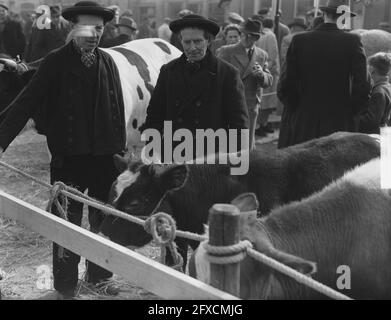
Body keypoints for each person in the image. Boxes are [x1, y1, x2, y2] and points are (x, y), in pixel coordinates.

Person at [0, 1, 126, 299]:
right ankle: (66, 285)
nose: (93, 34)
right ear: (73, 27)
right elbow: (25, 103)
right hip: (68, 160)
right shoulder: (56, 61)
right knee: (67, 224)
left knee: (102, 220)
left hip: (104, 160)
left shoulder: (106, 61)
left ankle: (99, 276)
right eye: (86, 27)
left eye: (99, 28)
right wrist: (1, 142)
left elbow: (116, 108)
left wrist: (120, 154)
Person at [144, 14, 249, 158]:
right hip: (174, 156)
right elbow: (155, 115)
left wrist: (236, 166)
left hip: (211, 158)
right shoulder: (168, 71)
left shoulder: (228, 74)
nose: (192, 48)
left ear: (209, 40)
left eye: (198, 41)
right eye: (187, 42)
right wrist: (152, 153)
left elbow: (239, 124)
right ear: (180, 41)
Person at [277, 0, 371, 148]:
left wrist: (295, 107)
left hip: (304, 116)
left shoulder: (299, 40)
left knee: (303, 163)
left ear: (324, 13)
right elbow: (362, 84)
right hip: (340, 118)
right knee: (336, 166)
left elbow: (287, 82)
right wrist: (353, 111)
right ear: (345, 18)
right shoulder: (353, 41)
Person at [218, 18, 273, 150]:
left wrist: (261, 74)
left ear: (257, 38)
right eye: (244, 35)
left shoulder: (261, 55)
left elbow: (268, 81)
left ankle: (247, 168)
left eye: (252, 37)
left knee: (247, 146)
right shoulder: (226, 51)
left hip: (250, 105)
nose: (247, 39)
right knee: (228, 146)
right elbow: (216, 77)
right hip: (230, 105)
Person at [254, 17, 280, 137]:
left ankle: (260, 125)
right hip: (269, 70)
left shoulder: (260, 34)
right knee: (267, 101)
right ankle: (261, 125)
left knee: (262, 100)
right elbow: (273, 55)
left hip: (259, 68)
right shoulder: (271, 35)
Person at [357, 52, 391, 134]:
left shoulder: (378, 92)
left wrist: (353, 120)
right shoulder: (387, 87)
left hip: (374, 136)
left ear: (372, 69)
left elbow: (370, 121)